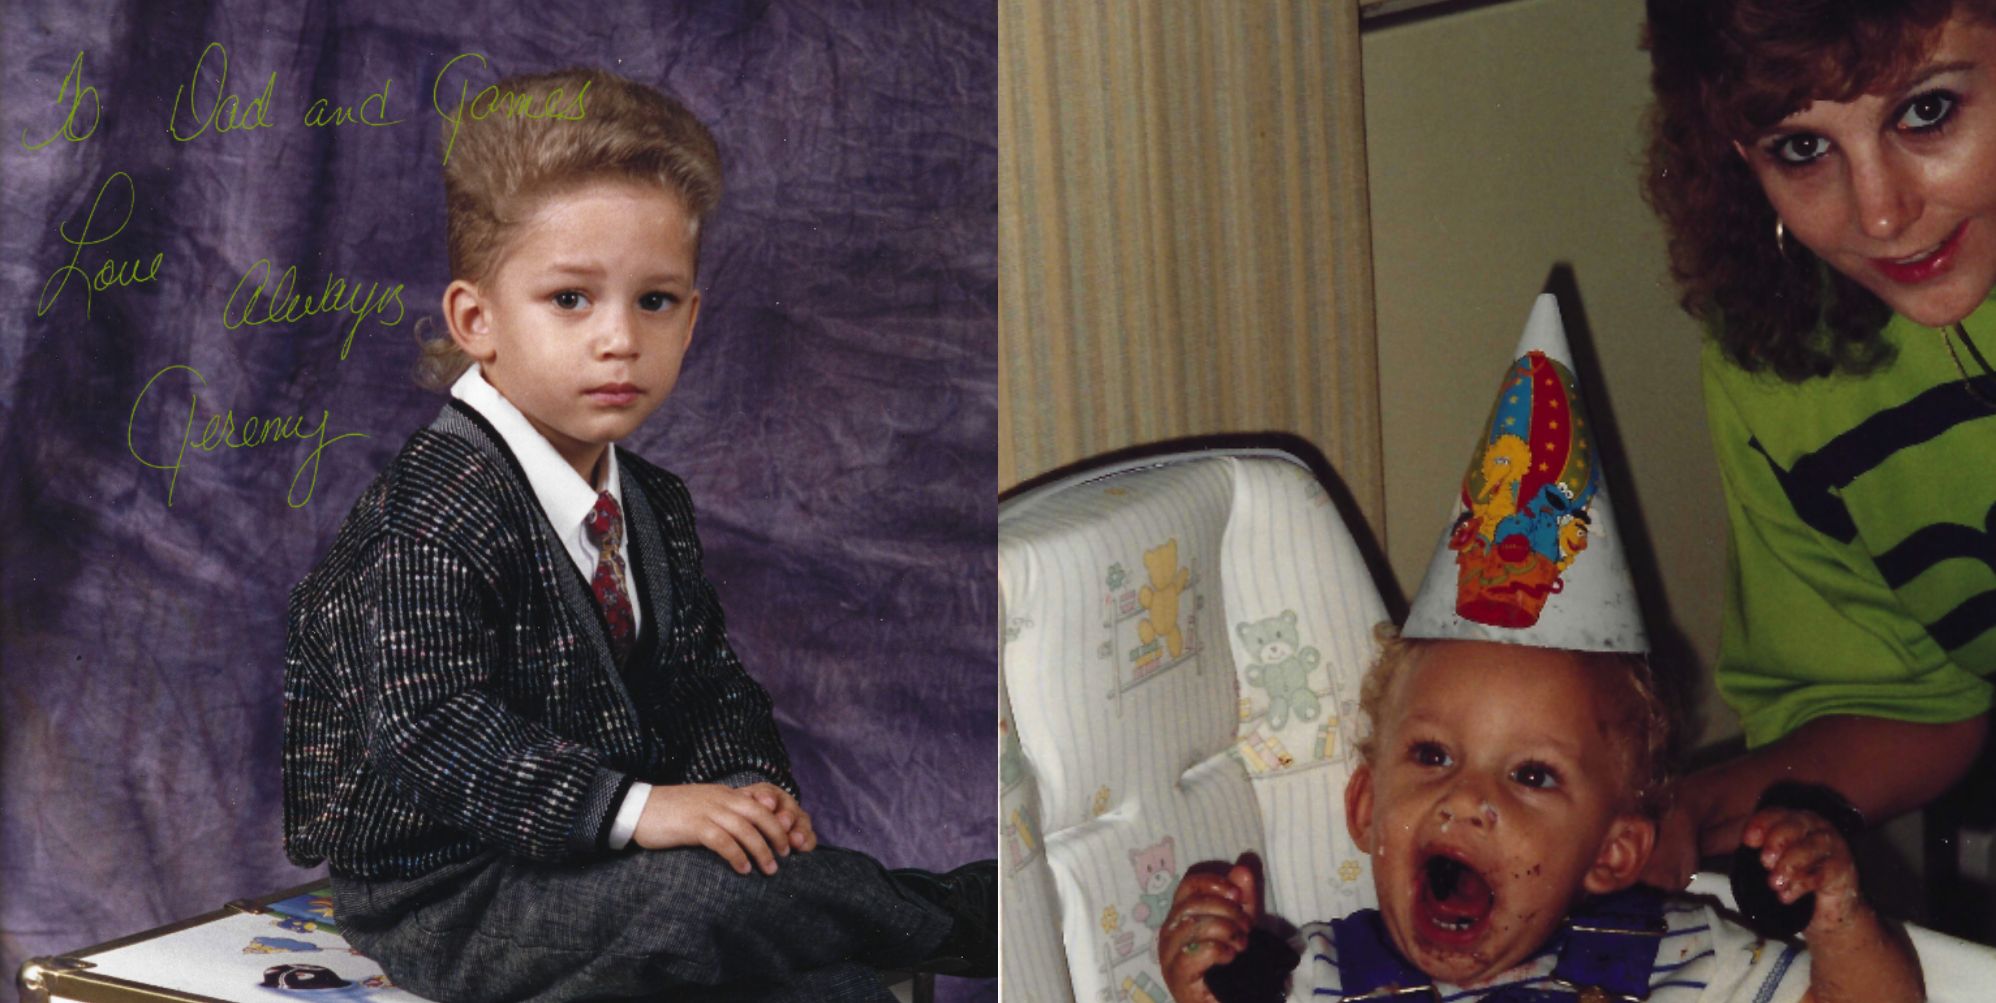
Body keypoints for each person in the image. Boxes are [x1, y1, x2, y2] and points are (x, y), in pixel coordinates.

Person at [281, 68, 992, 1003]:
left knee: (805, 963)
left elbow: (705, 680)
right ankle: (959, 918)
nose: (619, 338)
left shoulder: (651, 503)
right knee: (700, 901)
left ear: (691, 320)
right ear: (476, 320)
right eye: (571, 299)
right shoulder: (436, 506)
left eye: (653, 301)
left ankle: (884, 940)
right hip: (453, 890)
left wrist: (744, 782)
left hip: (602, 862)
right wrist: (636, 805)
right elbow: (430, 725)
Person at [1639, 0, 1996, 890]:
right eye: (1801, 148)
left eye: (1927, 111)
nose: (1881, 214)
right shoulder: (1782, 372)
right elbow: (1907, 706)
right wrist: (1688, 815)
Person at [1157, 631, 1924, 1003]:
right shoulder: (1312, 977)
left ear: (1612, 852)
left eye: (1531, 774)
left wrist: (1838, 919)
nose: (1467, 796)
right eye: (1432, 754)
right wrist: (1208, 981)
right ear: (1366, 807)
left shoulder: (1672, 955)